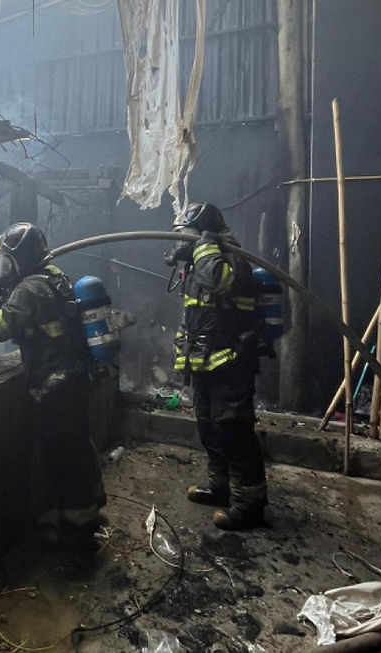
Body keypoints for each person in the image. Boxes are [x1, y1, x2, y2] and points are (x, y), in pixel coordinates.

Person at [0, 222, 106, 548]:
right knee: (79, 446)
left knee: (64, 456)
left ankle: (77, 530)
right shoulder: (55, 277)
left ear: (20, 258)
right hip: (74, 380)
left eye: (7, 261)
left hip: (54, 387)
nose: (4, 268)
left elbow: (2, 327)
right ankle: (90, 508)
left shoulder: (29, 288)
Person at [165, 202, 267, 530]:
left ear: (204, 232)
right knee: (209, 426)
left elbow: (221, 282)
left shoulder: (229, 258)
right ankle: (221, 487)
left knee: (233, 429)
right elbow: (196, 312)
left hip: (232, 361)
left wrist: (204, 246)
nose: (179, 239)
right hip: (206, 361)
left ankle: (248, 504)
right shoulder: (199, 260)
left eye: (184, 233)